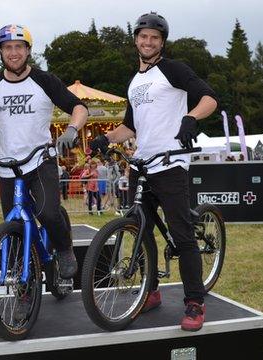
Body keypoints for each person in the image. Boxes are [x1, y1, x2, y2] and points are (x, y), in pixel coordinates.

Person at [89, 12, 218, 332]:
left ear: (162, 43)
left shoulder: (173, 70)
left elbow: (210, 98)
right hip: (141, 164)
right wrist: (106, 137)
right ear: (135, 39)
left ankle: (194, 302)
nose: (148, 42)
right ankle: (151, 290)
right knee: (139, 229)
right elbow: (129, 127)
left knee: (182, 233)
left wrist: (191, 118)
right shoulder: (135, 81)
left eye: (155, 38)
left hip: (171, 162)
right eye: (143, 36)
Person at [0, 24, 88, 279]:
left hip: (40, 160)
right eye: (7, 48)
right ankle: (24, 289)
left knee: (47, 212)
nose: (13, 53)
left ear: (28, 50)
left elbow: (78, 107)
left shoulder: (44, 80)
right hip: (6, 166)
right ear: (0, 52)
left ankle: (64, 248)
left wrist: (71, 130)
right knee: (13, 226)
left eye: (18, 47)